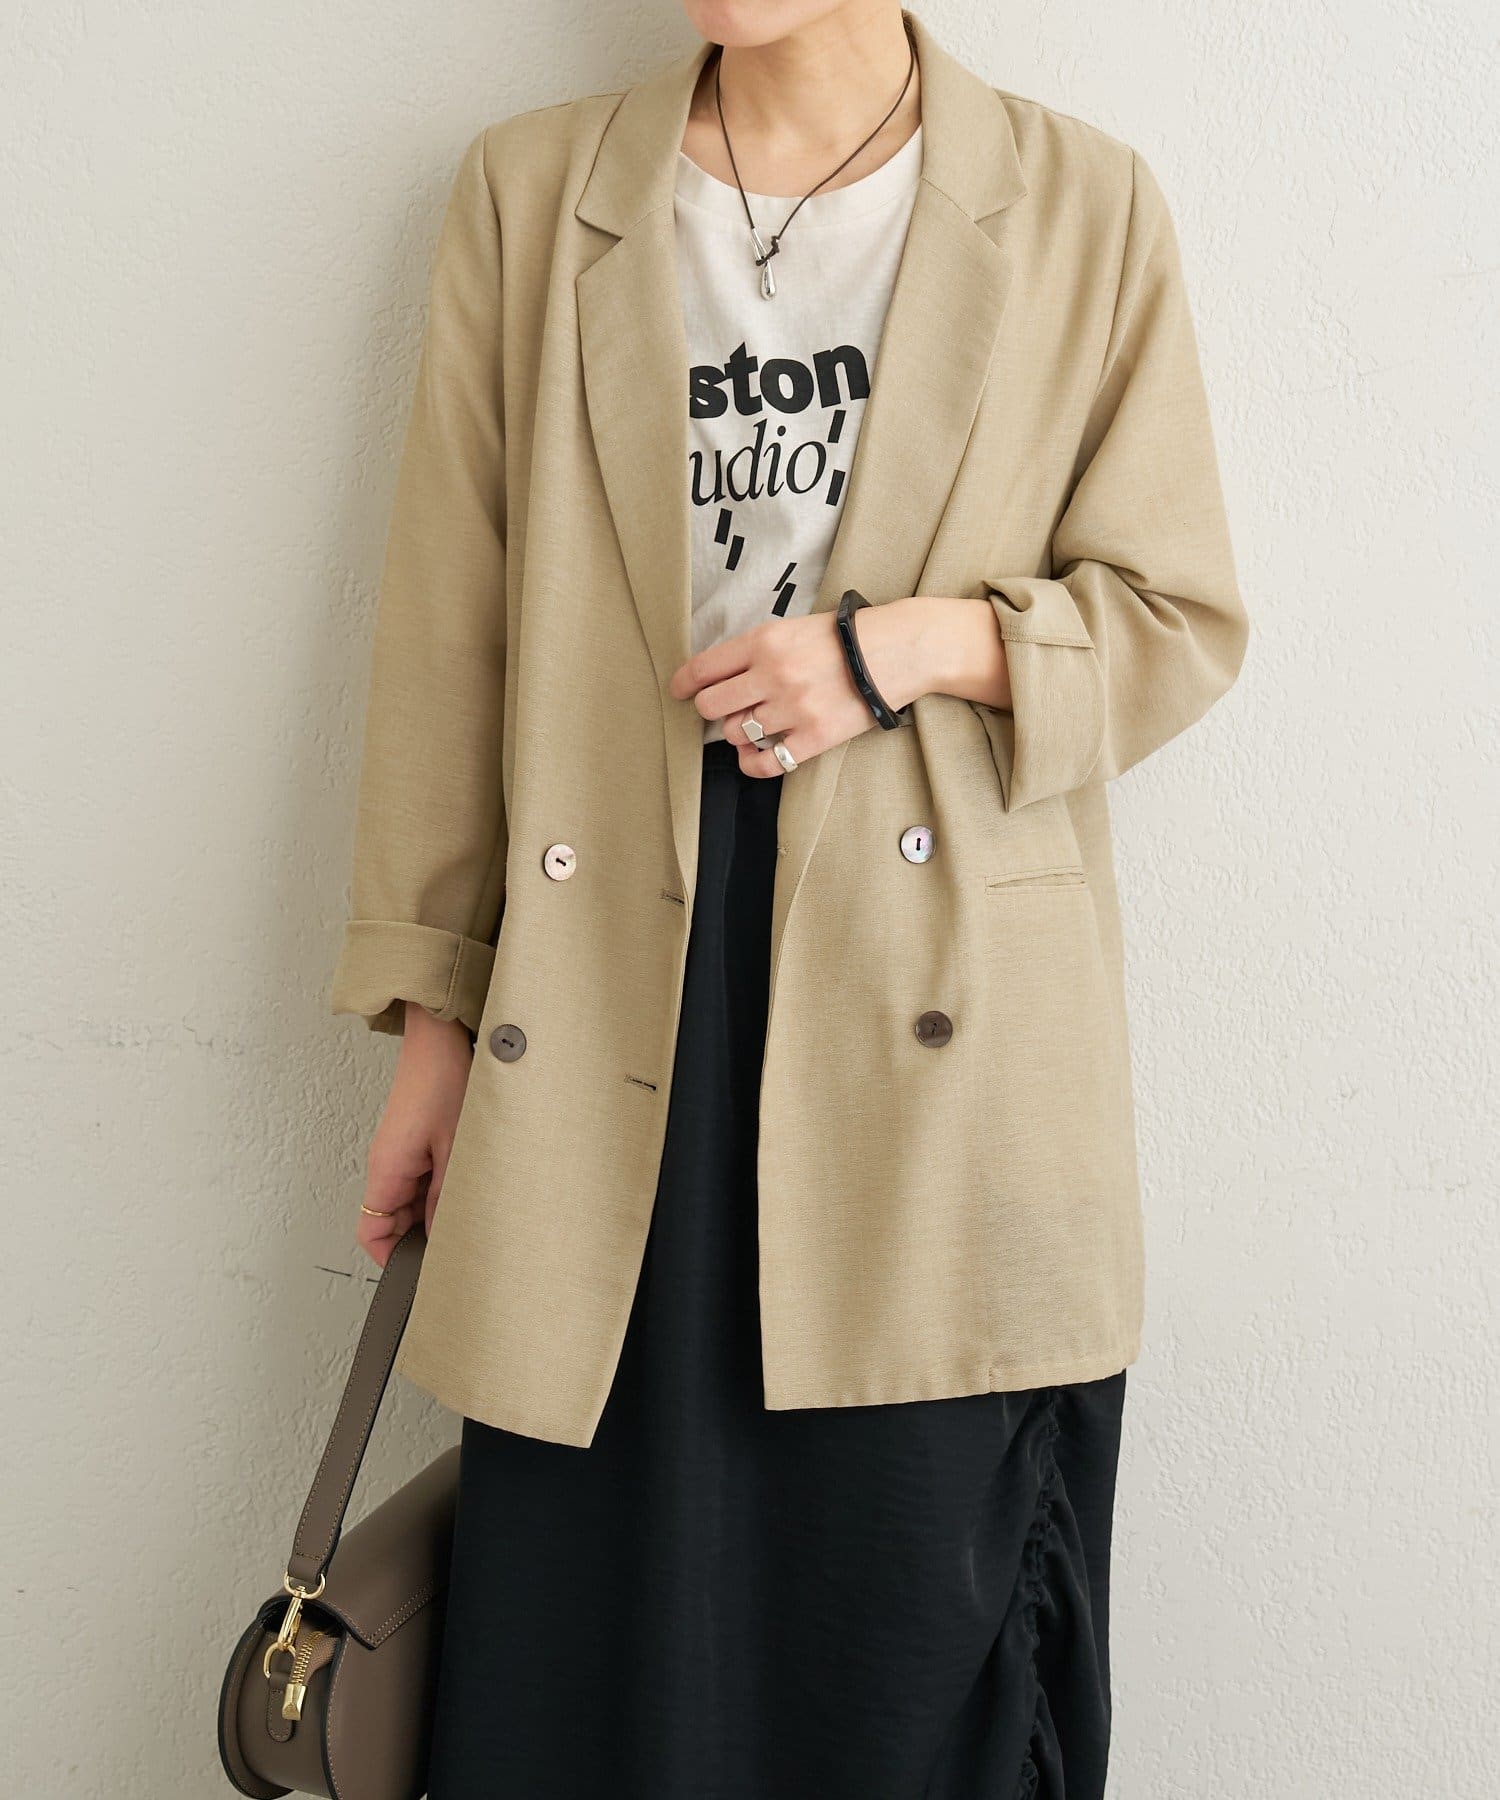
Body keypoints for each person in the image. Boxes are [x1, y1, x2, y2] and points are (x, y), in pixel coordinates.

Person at [328, 3, 1247, 1793]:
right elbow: (452, 630)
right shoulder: (533, 194)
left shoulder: (1080, 201)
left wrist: (900, 653)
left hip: (932, 1007)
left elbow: (1176, 615)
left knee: (899, 1625)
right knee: (597, 1625)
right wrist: (434, 1028)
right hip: (608, 986)